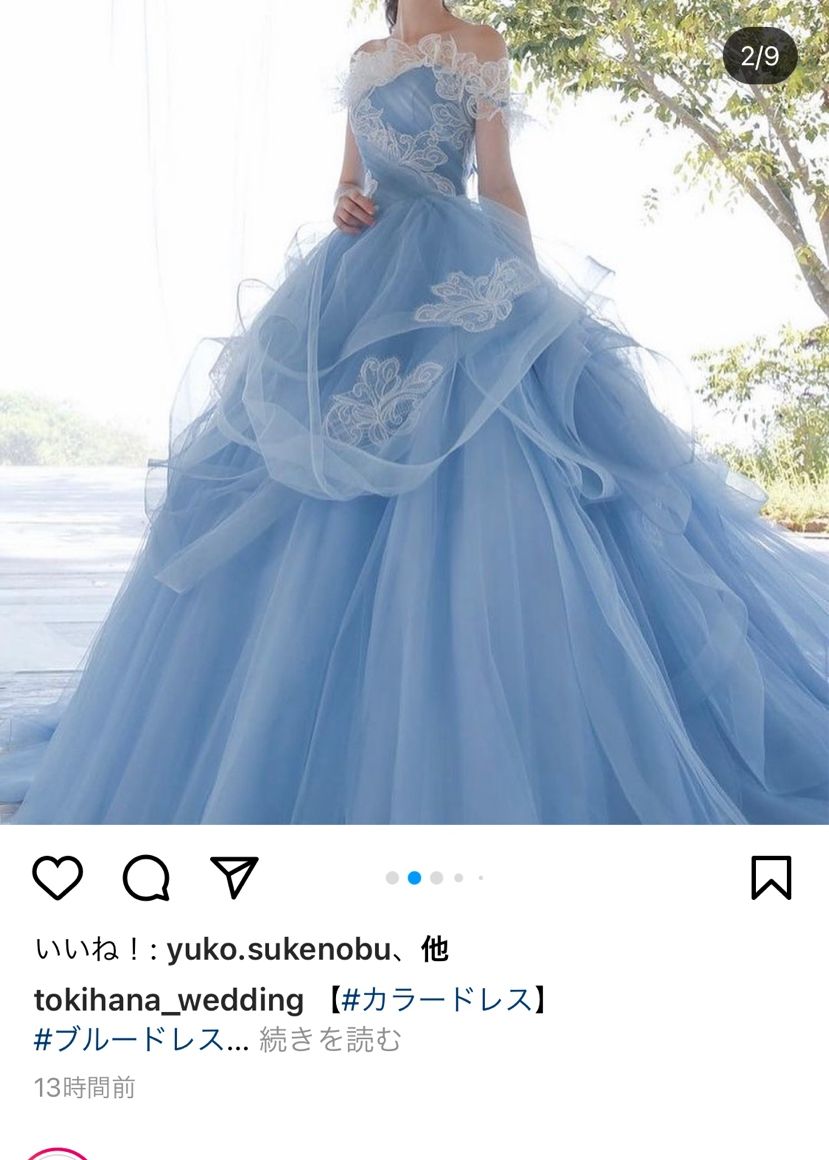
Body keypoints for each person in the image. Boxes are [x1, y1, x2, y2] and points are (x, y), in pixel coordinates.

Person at [0, 0, 827, 824]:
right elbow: (348, 177)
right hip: (357, 275)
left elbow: (496, 181)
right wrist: (342, 200)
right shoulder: (364, 57)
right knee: (299, 474)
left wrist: (526, 311)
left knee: (483, 474)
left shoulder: (479, 43)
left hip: (451, 268)